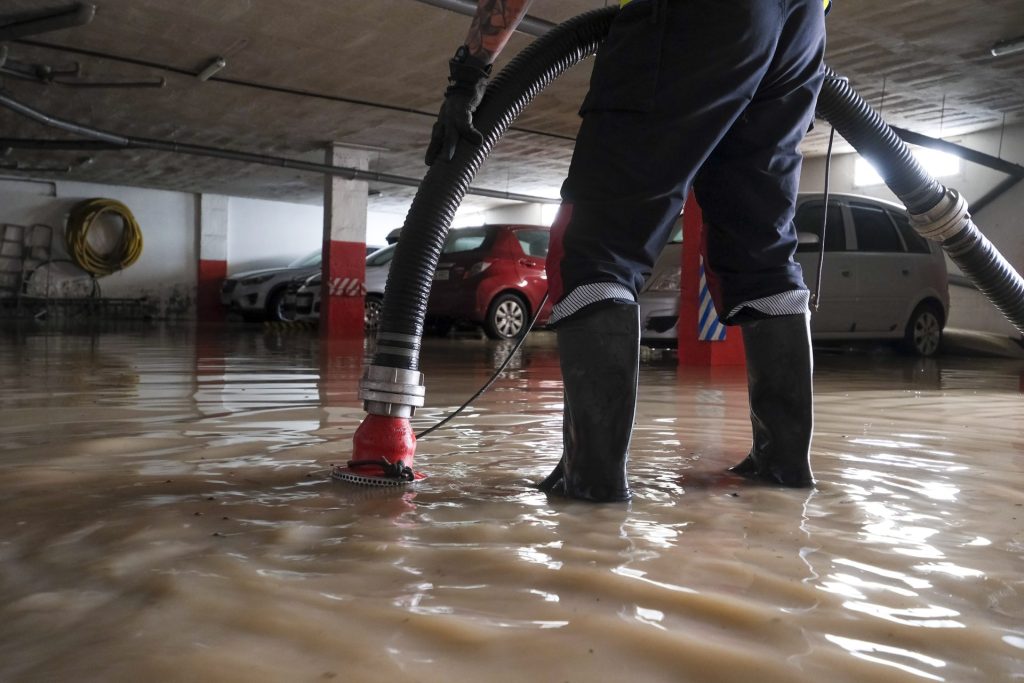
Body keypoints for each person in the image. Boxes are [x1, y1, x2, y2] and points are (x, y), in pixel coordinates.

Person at [426, 0, 830, 501]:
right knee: (762, 256)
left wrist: (468, 75)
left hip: (694, 17)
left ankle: (592, 491)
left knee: (597, 251)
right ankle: (782, 473)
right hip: (802, 29)